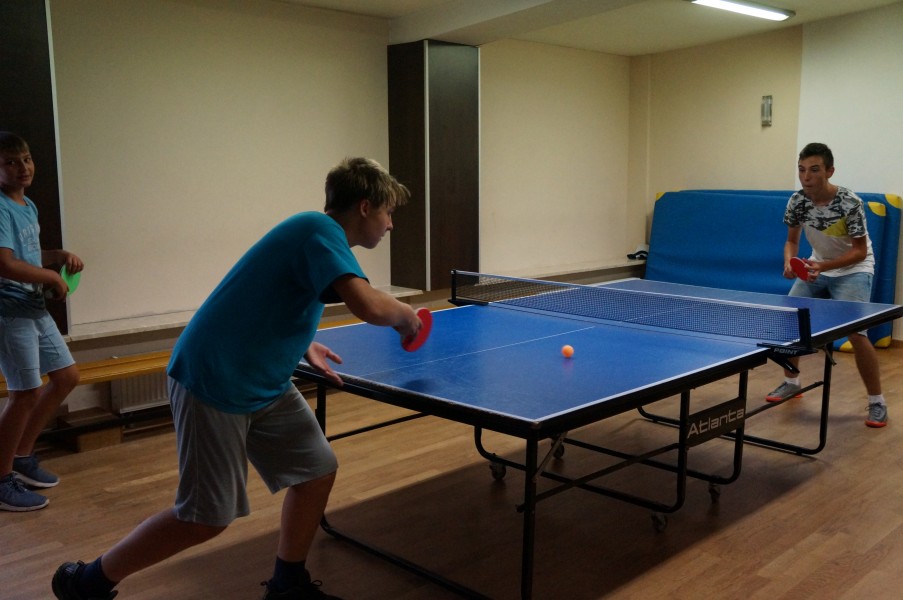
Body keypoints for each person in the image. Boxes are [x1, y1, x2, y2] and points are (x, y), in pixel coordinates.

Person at [52, 157, 422, 600]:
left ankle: (287, 586)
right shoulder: (319, 229)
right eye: (388, 212)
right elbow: (368, 305)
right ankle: (88, 581)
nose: (390, 224)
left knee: (316, 472)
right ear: (364, 207)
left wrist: (304, 342)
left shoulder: (317, 238)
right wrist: (407, 316)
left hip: (264, 381)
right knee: (204, 518)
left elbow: (272, 293)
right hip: (216, 380)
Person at [765, 142, 887, 428]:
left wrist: (823, 267)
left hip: (853, 269)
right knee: (791, 320)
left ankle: (877, 402)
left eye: (814, 170)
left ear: (829, 171)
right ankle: (791, 383)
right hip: (816, 266)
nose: (806, 177)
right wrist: (789, 262)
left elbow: (859, 252)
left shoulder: (849, 202)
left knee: (857, 333)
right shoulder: (797, 201)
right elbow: (791, 241)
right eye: (801, 170)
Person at [0, 132, 84, 512]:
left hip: (34, 308)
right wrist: (50, 277)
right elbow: (5, 264)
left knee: (66, 377)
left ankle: (21, 456)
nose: (23, 167)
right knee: (25, 393)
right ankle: (2, 479)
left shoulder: (28, 205)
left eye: (27, 159)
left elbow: (28, 256)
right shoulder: (1, 207)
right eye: (10, 162)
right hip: (10, 313)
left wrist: (57, 256)